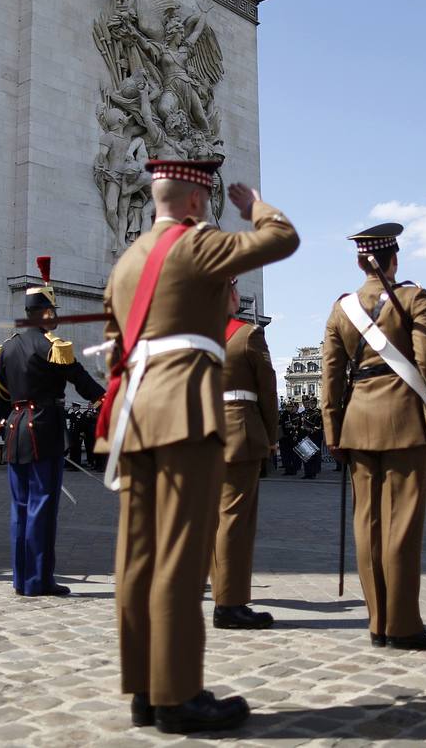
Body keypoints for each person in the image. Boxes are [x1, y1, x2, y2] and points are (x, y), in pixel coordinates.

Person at [95, 159, 297, 734]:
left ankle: (144, 688)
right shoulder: (196, 242)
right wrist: (255, 206)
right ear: (192, 202)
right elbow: (282, 238)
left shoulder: (127, 260)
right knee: (183, 554)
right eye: (205, 201)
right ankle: (179, 694)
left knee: (137, 555)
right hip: (184, 407)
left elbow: (115, 345)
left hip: (134, 412)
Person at [322, 221, 426, 653]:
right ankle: (404, 625)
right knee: (402, 526)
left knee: (368, 524)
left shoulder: (341, 309)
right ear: (394, 258)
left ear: (361, 262)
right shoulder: (412, 296)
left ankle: (378, 621)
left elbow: (331, 378)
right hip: (402, 419)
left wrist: (332, 429)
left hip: (357, 421)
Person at [0, 256, 105, 597]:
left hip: (15, 428)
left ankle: (20, 576)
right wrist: (106, 397)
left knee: (20, 506)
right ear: (44, 313)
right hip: (44, 429)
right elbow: (81, 380)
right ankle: (39, 579)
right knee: (43, 504)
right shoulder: (54, 346)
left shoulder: (6, 348)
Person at [210, 277, 279, 630]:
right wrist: (272, 435)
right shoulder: (247, 334)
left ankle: (223, 593)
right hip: (239, 432)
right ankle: (230, 603)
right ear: (230, 296)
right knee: (235, 520)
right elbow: (267, 388)